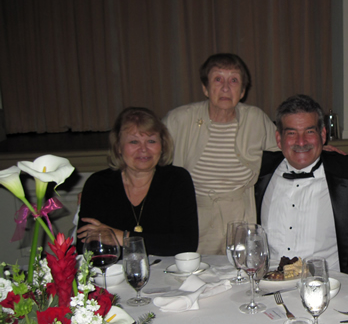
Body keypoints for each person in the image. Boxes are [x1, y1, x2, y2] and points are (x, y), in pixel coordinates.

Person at [163, 53, 279, 254]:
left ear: (242, 91)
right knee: (197, 271)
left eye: (234, 80)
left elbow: (286, 147)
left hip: (241, 215)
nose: (226, 88)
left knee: (241, 270)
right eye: (218, 79)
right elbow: (151, 153)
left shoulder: (255, 119)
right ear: (205, 88)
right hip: (195, 215)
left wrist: (319, 151)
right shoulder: (179, 120)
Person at [255, 95, 348, 272]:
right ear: (278, 139)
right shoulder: (258, 170)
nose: (301, 142)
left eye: (309, 132)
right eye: (291, 133)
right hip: (270, 282)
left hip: (331, 283)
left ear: (322, 135)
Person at [77, 107, 198, 256]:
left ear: (162, 146)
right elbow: (85, 246)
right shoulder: (98, 184)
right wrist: (153, 242)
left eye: (151, 141)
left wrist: (121, 237)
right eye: (134, 141)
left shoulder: (177, 179)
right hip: (114, 270)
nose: (143, 149)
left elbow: (186, 244)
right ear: (118, 147)